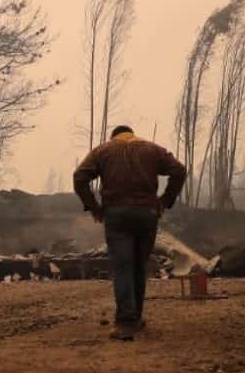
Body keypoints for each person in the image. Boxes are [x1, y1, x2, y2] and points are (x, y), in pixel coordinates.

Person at [73, 125, 187, 340]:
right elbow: (179, 170)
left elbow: (79, 177)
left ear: (113, 137)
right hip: (147, 214)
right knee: (139, 266)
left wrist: (94, 207)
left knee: (123, 267)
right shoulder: (153, 150)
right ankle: (136, 318)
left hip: (117, 215)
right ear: (132, 134)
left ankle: (125, 323)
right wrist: (165, 201)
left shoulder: (103, 151)